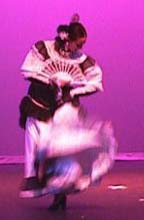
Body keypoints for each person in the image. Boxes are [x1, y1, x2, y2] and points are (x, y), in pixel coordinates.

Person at [19, 14, 117, 210]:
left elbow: (94, 83)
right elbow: (28, 71)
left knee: (62, 150)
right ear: (67, 39)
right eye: (77, 44)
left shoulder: (81, 60)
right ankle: (34, 178)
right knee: (37, 143)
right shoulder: (44, 49)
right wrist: (50, 79)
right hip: (40, 104)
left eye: (82, 45)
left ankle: (59, 195)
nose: (79, 49)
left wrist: (71, 88)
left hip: (63, 108)